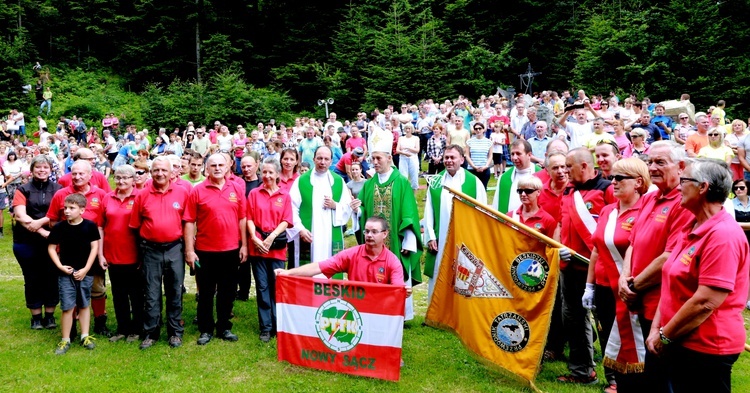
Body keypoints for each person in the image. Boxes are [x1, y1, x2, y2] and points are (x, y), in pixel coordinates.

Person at [646, 159, 748, 393]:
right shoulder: (691, 226)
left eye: (684, 181)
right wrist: (657, 330)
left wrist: (664, 336)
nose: (678, 186)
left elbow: (705, 302)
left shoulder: (723, 235)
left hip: (707, 347)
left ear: (703, 187)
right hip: (680, 341)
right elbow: (670, 283)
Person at [618, 141, 694, 391]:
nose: (652, 167)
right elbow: (633, 243)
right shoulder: (650, 197)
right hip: (637, 298)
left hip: (662, 304)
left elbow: (670, 256)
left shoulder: (683, 203)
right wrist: (624, 278)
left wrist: (634, 285)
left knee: (662, 376)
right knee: (646, 374)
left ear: (681, 167)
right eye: (650, 162)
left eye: (660, 162)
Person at [582, 158, 651, 393]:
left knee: (633, 343)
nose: (613, 182)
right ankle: (616, 382)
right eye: (612, 177)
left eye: (620, 178)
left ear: (638, 182)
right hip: (602, 287)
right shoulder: (607, 210)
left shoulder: (645, 212)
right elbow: (596, 250)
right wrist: (589, 286)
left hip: (629, 290)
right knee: (609, 339)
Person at [557, 148, 616, 384]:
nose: (564, 172)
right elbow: (563, 223)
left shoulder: (608, 189)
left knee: (605, 323)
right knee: (573, 321)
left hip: (598, 270)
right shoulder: (568, 190)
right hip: (568, 268)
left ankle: (615, 378)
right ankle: (582, 371)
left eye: (568, 167)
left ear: (584, 166)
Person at [184, 153, 248, 345]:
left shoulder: (236, 189)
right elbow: (188, 221)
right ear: (207, 168)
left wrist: (244, 245)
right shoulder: (197, 191)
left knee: (227, 292)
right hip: (205, 250)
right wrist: (189, 250)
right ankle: (205, 328)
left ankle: (224, 327)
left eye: (221, 165)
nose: (218, 168)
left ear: (228, 166)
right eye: (213, 165)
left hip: (230, 250)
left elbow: (243, 218)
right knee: (205, 292)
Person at [358, 132, 422, 320]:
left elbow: (409, 214)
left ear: (389, 158)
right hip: (373, 243)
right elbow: (362, 208)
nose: (375, 162)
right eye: (372, 158)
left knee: (397, 272)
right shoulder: (369, 184)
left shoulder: (401, 181)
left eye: (378, 158)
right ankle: (375, 310)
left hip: (396, 242)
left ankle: (399, 314)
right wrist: (357, 209)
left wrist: (408, 244)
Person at [129, 157, 189, 349]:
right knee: (152, 294)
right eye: (156, 170)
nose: (160, 174)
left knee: (175, 291)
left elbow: (188, 223)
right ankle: (151, 333)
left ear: (172, 173)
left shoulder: (182, 192)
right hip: (151, 250)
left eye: (164, 170)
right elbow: (135, 226)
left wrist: (188, 250)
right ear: (151, 172)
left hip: (174, 249)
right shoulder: (142, 195)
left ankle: (175, 332)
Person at [46, 159, 110, 337]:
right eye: (74, 173)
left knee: (96, 288)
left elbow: (105, 223)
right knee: (70, 290)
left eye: (82, 173)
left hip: (92, 250)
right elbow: (52, 220)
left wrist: (100, 253)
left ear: (91, 175)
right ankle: (72, 326)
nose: (77, 177)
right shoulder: (61, 194)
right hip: (68, 254)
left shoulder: (101, 194)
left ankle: (99, 321)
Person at [423, 145, 487, 300]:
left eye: (453, 157)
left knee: (464, 272)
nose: (449, 161)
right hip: (441, 237)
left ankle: (461, 312)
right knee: (440, 271)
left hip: (466, 238)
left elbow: (483, 212)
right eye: (446, 157)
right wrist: (431, 236)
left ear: (462, 159)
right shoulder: (436, 182)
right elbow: (428, 211)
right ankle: (437, 311)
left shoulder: (474, 182)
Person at [12, 155, 62, 329]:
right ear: (32, 170)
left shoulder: (58, 189)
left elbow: (61, 213)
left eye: (45, 167)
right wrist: (41, 230)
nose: (42, 170)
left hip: (52, 241)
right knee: (32, 278)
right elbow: (20, 214)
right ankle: (35, 317)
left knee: (51, 277)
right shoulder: (23, 189)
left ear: (51, 169)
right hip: (26, 241)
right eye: (38, 167)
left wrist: (42, 226)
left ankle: (49, 316)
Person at [247, 158, 293, 342]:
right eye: (264, 172)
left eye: (270, 172)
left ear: (277, 174)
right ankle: (265, 327)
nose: (266, 176)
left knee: (277, 287)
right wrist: (254, 238)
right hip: (257, 247)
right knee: (262, 286)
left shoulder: (285, 195)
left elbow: (286, 220)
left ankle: (278, 324)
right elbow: (249, 217)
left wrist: (272, 236)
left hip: (276, 248)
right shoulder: (254, 194)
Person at [48, 193, 100, 354]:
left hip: (85, 273)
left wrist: (85, 269)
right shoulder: (59, 227)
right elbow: (51, 248)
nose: (67, 211)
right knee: (67, 306)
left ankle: (85, 336)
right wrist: (60, 266)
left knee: (84, 304)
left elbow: (94, 248)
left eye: (72, 208)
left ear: (82, 210)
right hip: (66, 273)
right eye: (65, 208)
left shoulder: (90, 226)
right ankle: (65, 339)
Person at [288, 146, 353, 269]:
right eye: (319, 158)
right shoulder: (301, 181)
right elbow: (291, 208)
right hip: (309, 234)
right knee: (308, 265)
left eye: (326, 159)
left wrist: (335, 206)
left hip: (329, 236)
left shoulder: (338, 181)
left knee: (330, 263)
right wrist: (300, 229)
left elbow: (347, 207)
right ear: (314, 159)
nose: (322, 162)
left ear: (331, 161)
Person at [98, 165, 142, 343]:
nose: (121, 181)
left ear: (133, 179)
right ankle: (122, 329)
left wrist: (143, 255)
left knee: (137, 295)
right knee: (119, 294)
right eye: (118, 177)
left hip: (135, 255)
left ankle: (137, 329)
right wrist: (101, 254)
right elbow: (100, 226)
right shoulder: (108, 197)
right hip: (113, 254)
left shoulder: (140, 196)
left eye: (125, 177)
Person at [492, 139, 542, 213]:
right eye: (512, 154)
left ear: (529, 155)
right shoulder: (503, 178)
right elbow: (496, 207)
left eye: (518, 154)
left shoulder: (541, 175)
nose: (514, 158)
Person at [465, 122, 493, 188]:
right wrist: (473, 166)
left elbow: (490, 156)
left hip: (484, 169)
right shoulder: (469, 142)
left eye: (480, 128)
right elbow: (467, 155)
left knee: (483, 188)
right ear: (474, 130)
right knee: (472, 188)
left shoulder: (489, 142)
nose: (478, 130)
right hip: (472, 169)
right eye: (476, 129)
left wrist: (486, 166)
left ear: (483, 129)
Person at [396, 124, 421, 197]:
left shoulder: (416, 138)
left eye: (409, 128)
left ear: (411, 129)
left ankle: (414, 196)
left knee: (414, 176)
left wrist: (408, 148)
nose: (407, 130)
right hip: (403, 158)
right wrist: (404, 152)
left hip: (413, 158)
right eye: (406, 128)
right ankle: (404, 195)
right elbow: (397, 150)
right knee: (403, 176)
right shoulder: (401, 138)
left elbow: (417, 150)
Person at [732, 179, 750, 245]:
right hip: (737, 238)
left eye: (742, 188)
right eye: (736, 188)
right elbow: (730, 225)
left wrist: (737, 224)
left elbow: (732, 224)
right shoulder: (730, 204)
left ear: (748, 188)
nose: (738, 190)